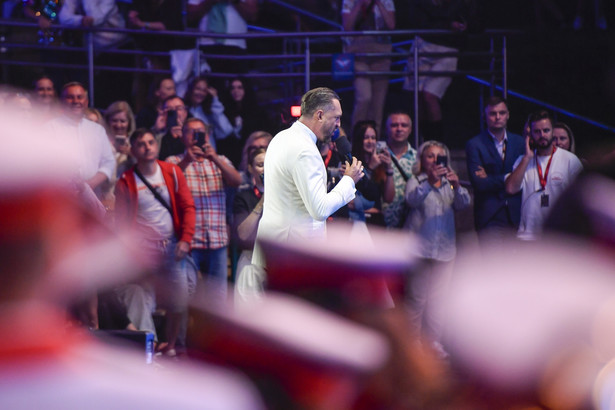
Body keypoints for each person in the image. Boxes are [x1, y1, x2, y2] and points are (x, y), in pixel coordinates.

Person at [251, 87, 364, 270]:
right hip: (290, 258)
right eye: (336, 117)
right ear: (319, 115)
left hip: (273, 251)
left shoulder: (281, 138)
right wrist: (349, 180)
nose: (338, 124)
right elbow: (319, 209)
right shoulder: (305, 150)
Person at [114, 128, 196, 356]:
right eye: (141, 144)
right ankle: (151, 346)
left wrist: (186, 239)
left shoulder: (171, 172)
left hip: (170, 245)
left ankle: (173, 346)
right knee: (145, 298)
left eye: (151, 142)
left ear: (157, 146)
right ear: (133, 149)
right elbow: (121, 221)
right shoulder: (126, 180)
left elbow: (187, 206)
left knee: (178, 301)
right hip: (143, 251)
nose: (147, 147)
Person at [404, 140, 470, 356]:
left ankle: (432, 343)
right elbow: (411, 200)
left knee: (439, 302)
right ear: (422, 160)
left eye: (438, 157)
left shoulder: (450, 183)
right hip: (420, 249)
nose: (434, 160)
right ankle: (411, 344)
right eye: (430, 156)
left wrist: (457, 186)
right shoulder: (416, 180)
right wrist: (430, 183)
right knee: (417, 299)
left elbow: (464, 204)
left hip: (445, 250)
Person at [166, 118, 242, 305]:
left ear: (207, 135)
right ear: (183, 136)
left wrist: (214, 158)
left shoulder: (220, 160)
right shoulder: (174, 161)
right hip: (188, 243)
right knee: (185, 300)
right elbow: (167, 184)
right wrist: (186, 161)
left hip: (217, 240)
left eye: (200, 132)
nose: (195, 136)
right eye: (190, 132)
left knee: (217, 300)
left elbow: (236, 181)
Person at [402, 0, 479, 140]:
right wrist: (447, 25)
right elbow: (417, 21)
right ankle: (422, 142)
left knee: (430, 95)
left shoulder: (463, 4)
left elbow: (477, 23)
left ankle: (436, 143)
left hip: (449, 49)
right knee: (418, 98)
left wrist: (465, 26)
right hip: (423, 45)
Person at [505, 110, 583, 241]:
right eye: (537, 132)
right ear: (530, 135)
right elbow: (511, 188)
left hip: (559, 236)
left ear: (553, 131)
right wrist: (527, 157)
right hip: (528, 236)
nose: (542, 135)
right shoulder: (522, 161)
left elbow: (581, 197)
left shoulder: (570, 160)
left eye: (546, 130)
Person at [465, 96, 525, 245]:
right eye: (492, 113)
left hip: (517, 214)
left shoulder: (520, 142)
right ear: (485, 116)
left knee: (517, 267)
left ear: (508, 115)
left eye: (502, 113)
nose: (498, 117)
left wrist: (491, 177)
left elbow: (524, 179)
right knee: (492, 266)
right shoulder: (475, 144)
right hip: (489, 215)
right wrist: (509, 177)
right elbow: (479, 183)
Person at [47, 82, 115, 195]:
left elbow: (108, 162)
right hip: (60, 196)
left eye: (80, 97)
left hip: (93, 194)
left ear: (86, 102)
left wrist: (90, 184)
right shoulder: (49, 129)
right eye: (70, 97)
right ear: (61, 102)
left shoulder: (97, 130)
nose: (76, 101)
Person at [341, 0, 395, 134]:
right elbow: (347, 26)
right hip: (358, 55)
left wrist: (378, 3)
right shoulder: (349, 2)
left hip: (381, 54)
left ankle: (373, 140)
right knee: (364, 97)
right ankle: (357, 138)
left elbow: (391, 25)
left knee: (378, 103)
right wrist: (359, 4)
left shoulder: (386, 1)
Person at [187, 0, 258, 87]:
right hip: (207, 45)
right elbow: (191, 15)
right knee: (206, 88)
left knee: (238, 89)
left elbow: (252, 15)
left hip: (236, 45)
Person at [232, 147, 265, 298]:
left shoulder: (285, 195)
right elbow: (243, 234)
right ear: (251, 169)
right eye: (260, 164)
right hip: (250, 260)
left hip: (276, 261)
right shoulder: (244, 196)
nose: (266, 168)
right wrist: (262, 202)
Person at [349, 120, 395, 226]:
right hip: (357, 221)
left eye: (373, 138)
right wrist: (370, 168)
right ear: (359, 140)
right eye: (366, 138)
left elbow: (389, 198)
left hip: (376, 221)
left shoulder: (379, 163)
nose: (370, 141)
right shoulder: (351, 163)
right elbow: (357, 194)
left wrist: (389, 170)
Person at [220, 77, 270, 168]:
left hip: (252, 155)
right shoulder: (224, 111)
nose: (236, 91)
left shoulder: (257, 112)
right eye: (232, 88)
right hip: (230, 155)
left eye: (240, 87)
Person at [382, 111, 417, 228]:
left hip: (409, 224)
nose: (399, 129)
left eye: (404, 125)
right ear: (386, 129)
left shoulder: (419, 158)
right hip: (380, 224)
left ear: (410, 129)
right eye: (394, 125)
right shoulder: (377, 155)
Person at [183, 76, 234, 153]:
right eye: (198, 89)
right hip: (187, 154)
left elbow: (226, 130)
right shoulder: (182, 109)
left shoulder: (209, 112)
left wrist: (214, 99)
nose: (200, 93)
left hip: (207, 155)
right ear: (191, 89)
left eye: (204, 90)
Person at [154, 95, 190, 160]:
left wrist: (185, 136)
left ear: (185, 112)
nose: (175, 112)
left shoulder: (193, 131)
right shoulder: (155, 133)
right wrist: (156, 131)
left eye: (178, 108)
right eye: (169, 109)